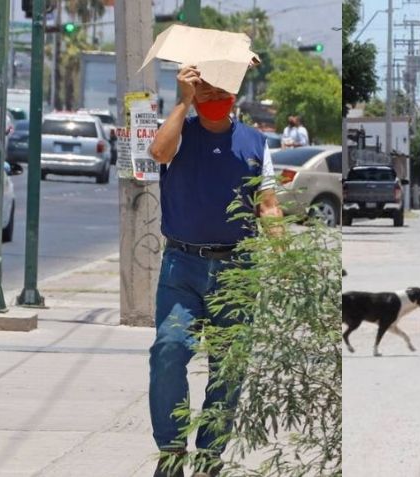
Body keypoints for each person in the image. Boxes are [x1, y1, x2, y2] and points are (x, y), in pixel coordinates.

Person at [148, 64, 282, 477]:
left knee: (228, 369)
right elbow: (158, 153)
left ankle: (209, 461)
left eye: (215, 88)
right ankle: (172, 457)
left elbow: (269, 206)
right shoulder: (179, 130)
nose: (209, 95)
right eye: (201, 88)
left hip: (237, 269)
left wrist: (284, 254)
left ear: (234, 93)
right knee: (169, 352)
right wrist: (183, 101)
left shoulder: (256, 143)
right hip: (182, 266)